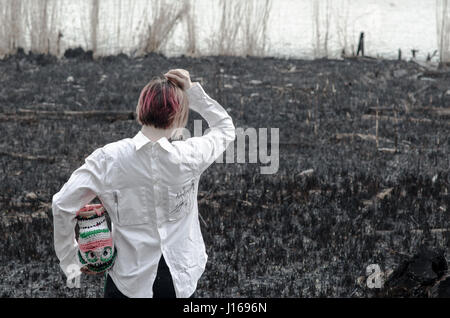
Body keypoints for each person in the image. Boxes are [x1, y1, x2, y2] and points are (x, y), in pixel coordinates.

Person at [52, 69, 236, 298]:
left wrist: (72, 261)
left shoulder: (108, 158)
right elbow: (225, 128)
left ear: (141, 110)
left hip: (128, 280)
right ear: (179, 115)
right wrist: (192, 91)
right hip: (178, 278)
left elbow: (62, 204)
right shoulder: (190, 155)